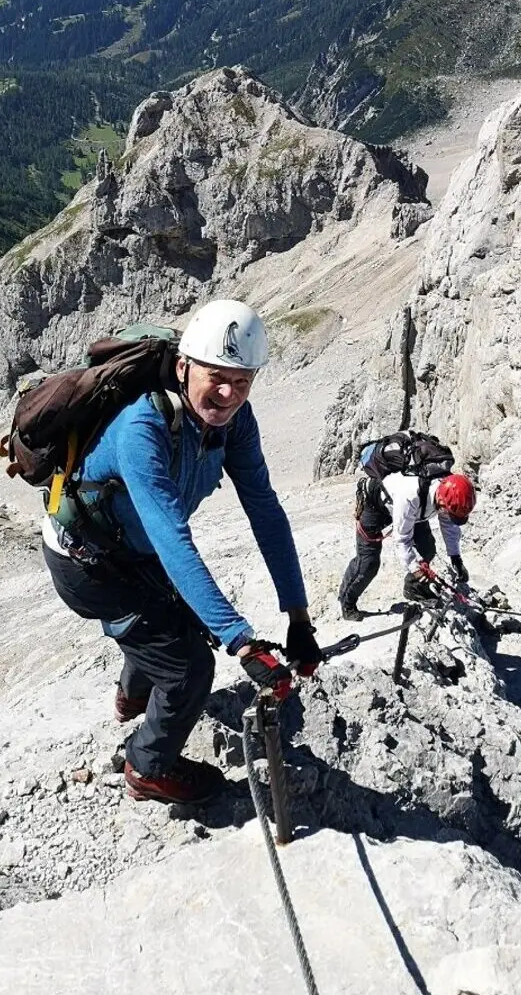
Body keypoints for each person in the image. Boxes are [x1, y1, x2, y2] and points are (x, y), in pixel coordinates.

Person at [41, 299, 323, 805]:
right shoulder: (142, 428)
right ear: (183, 367)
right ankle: (147, 768)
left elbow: (264, 510)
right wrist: (241, 642)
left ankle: (132, 698)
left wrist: (298, 618)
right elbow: (171, 538)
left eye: (242, 382)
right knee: (189, 666)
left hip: (132, 547)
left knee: (170, 619)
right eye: (216, 377)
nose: (228, 394)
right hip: (86, 563)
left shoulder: (234, 423)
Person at [338, 467, 476, 620]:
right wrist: (415, 568)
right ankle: (347, 603)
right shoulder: (411, 495)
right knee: (368, 563)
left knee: (427, 549)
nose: (448, 515)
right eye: (447, 512)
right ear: (441, 500)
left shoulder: (447, 495)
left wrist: (456, 558)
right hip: (376, 505)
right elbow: (402, 539)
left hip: (415, 510)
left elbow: (449, 525)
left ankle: (413, 588)